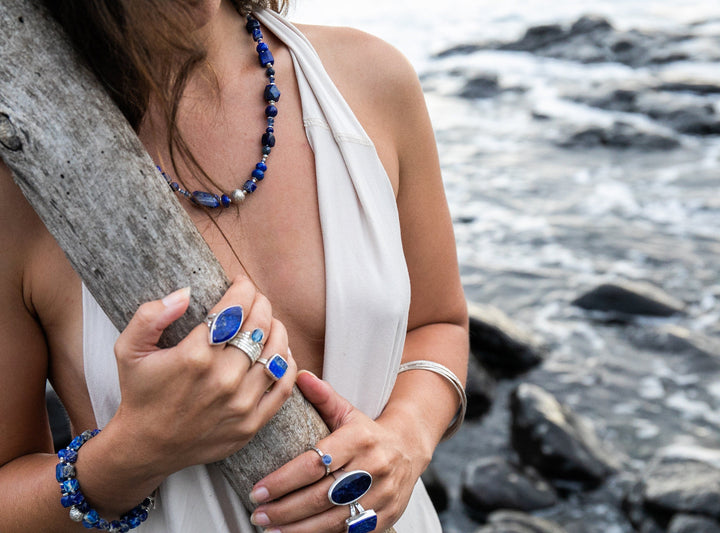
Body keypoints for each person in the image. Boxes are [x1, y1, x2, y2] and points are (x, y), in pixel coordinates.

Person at [0, 0, 468, 531]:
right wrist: (130, 456)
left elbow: (440, 324)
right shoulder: (17, 187)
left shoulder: (370, 80)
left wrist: (406, 440)